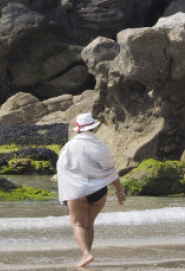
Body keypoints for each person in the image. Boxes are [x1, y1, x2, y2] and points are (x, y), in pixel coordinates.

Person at [56, 112, 127, 269]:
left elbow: (62, 170)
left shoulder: (69, 147)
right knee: (89, 224)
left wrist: (69, 192)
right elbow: (111, 170)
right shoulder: (101, 146)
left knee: (78, 224)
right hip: (99, 191)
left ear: (78, 129)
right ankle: (85, 255)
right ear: (93, 129)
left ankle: (86, 254)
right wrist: (120, 191)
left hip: (76, 191)